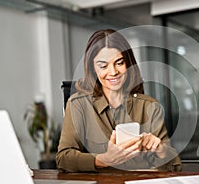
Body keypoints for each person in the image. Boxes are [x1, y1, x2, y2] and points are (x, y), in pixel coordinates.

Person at [56, 29, 182, 172]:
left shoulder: (150, 106)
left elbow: (174, 167)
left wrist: (161, 150)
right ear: (93, 69)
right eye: (103, 66)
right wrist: (104, 160)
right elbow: (63, 159)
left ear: (128, 64)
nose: (113, 72)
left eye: (119, 63)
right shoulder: (78, 104)